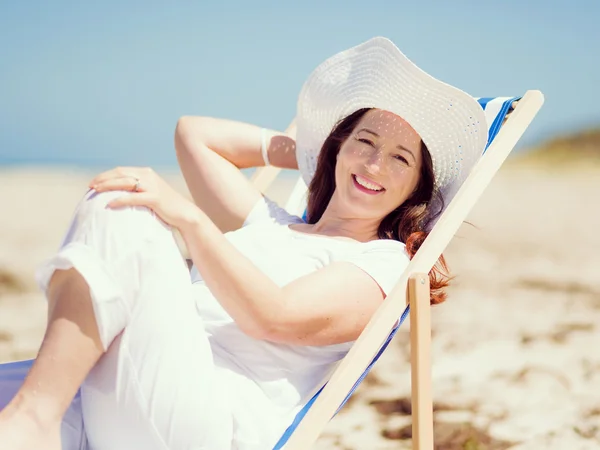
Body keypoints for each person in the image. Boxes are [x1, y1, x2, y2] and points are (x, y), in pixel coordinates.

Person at [0, 37, 488, 449]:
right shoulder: (270, 223)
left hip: (202, 421)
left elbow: (272, 315)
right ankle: (35, 414)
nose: (375, 164)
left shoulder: (382, 263)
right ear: (340, 146)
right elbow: (193, 134)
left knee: (122, 207)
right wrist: (311, 152)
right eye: (364, 141)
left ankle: (34, 416)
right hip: (130, 391)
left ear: (415, 191)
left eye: (400, 159)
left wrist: (191, 222)